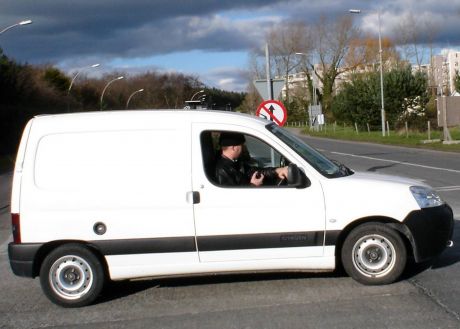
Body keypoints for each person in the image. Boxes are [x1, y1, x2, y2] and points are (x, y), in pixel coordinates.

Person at [215, 132, 288, 187]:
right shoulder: (222, 170)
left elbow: (255, 171)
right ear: (233, 148)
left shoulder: (235, 163)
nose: (244, 148)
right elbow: (231, 199)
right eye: (242, 145)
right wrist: (253, 185)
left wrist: (278, 171)